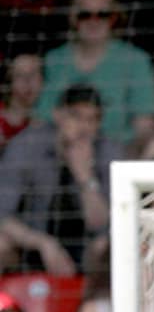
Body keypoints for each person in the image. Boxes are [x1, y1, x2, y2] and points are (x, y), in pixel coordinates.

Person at [0, 85, 116, 278]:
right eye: (76, 116)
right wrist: (42, 243)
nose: (84, 127)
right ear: (57, 115)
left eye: (92, 120)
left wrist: (85, 177)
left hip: (87, 251)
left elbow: (103, 225)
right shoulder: (26, 145)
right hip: (32, 243)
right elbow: (2, 214)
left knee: (104, 246)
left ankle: (94, 305)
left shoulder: (108, 152)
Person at [36, 0, 154, 152]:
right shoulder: (54, 60)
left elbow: (145, 125)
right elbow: (40, 118)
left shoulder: (135, 60)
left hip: (118, 154)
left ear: (113, 18)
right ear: (73, 19)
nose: (93, 22)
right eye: (85, 15)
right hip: (59, 153)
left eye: (102, 15)